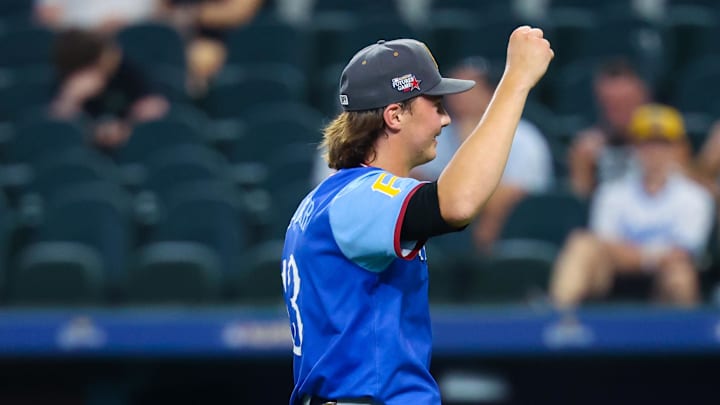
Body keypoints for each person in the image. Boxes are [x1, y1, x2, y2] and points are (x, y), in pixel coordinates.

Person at [281, 27, 553, 405]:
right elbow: (457, 204)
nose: (444, 119)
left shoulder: (324, 198)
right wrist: (516, 81)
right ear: (395, 114)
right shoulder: (360, 197)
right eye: (435, 105)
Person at [550, 104, 714, 309]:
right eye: (646, 143)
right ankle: (558, 324)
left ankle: (685, 338)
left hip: (663, 280)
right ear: (635, 148)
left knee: (680, 274)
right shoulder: (612, 193)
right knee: (581, 245)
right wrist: (652, 256)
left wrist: (636, 256)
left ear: (679, 148)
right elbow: (604, 245)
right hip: (612, 276)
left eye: (663, 143)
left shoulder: (695, 197)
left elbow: (682, 253)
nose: (654, 152)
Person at [413, 56, 554, 251]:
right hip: (446, 223)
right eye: (454, 89)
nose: (458, 96)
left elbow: (520, 192)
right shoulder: (442, 133)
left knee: (498, 199)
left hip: (513, 225)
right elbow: (418, 178)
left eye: (467, 89)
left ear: (491, 92)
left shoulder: (523, 136)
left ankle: (482, 261)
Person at [50, 29, 169, 150]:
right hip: (85, 148)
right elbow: (57, 129)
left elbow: (155, 104)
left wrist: (127, 127)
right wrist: (71, 98)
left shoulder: (126, 69)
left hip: (130, 144)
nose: (115, 55)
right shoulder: (68, 83)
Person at [568, 58, 651, 198]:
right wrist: (583, 168)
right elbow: (578, 203)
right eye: (612, 105)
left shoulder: (665, 142)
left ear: (643, 99)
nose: (620, 113)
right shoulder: (587, 150)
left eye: (626, 104)